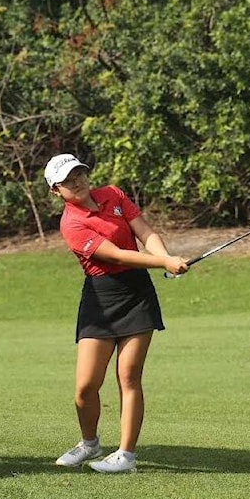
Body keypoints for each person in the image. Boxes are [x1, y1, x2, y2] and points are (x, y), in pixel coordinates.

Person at [45, 154, 188, 474]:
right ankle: (89, 443)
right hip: (100, 297)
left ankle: (126, 455)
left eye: (79, 174)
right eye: (68, 180)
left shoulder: (113, 194)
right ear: (56, 191)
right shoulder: (72, 224)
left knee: (129, 376)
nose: (77, 182)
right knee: (85, 387)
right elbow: (117, 256)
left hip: (137, 294)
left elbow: (145, 233)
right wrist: (164, 263)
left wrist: (165, 257)